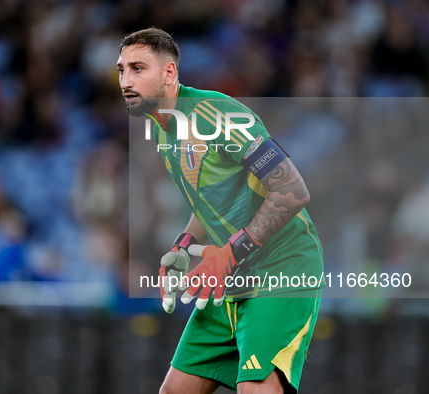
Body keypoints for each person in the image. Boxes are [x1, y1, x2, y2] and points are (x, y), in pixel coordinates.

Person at [116, 28, 324, 394]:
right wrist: (182, 245)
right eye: (121, 71)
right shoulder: (166, 133)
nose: (125, 81)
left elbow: (292, 191)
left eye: (137, 68)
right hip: (231, 275)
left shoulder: (219, 115)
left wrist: (231, 252)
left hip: (282, 268)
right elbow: (210, 203)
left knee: (255, 390)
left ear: (169, 73)